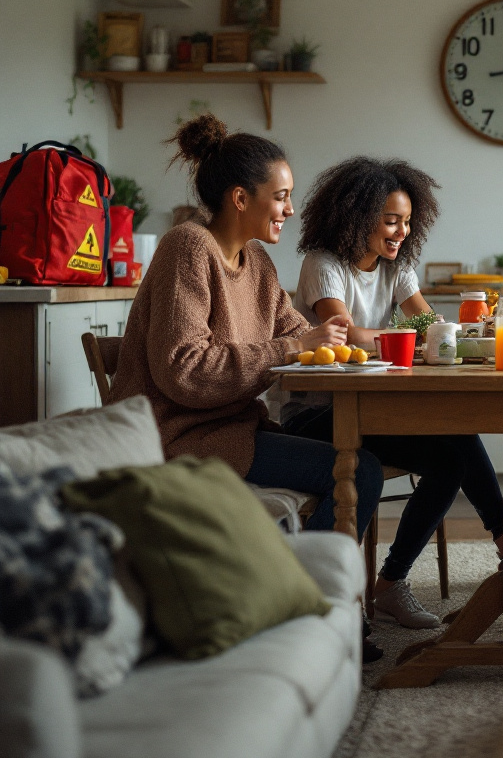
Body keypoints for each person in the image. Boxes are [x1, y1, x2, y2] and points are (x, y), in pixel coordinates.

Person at [109, 114, 384, 542]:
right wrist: (294, 345)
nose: (290, 209)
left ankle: (295, 578)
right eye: (281, 197)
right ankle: (314, 595)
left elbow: (299, 332)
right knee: (359, 470)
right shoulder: (187, 248)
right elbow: (184, 368)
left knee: (371, 452)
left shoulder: (256, 261)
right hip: (181, 437)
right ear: (240, 198)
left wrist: (378, 351)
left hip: (235, 429)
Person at [278, 156, 503, 630]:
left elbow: (427, 321)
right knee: (456, 448)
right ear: (357, 216)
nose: (401, 232)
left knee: (453, 456)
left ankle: (392, 585)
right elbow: (340, 333)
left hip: (371, 410)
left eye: (406, 222)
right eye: (390, 221)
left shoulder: (396, 266)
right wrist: (413, 339)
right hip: (316, 415)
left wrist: (461, 330)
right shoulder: (324, 264)